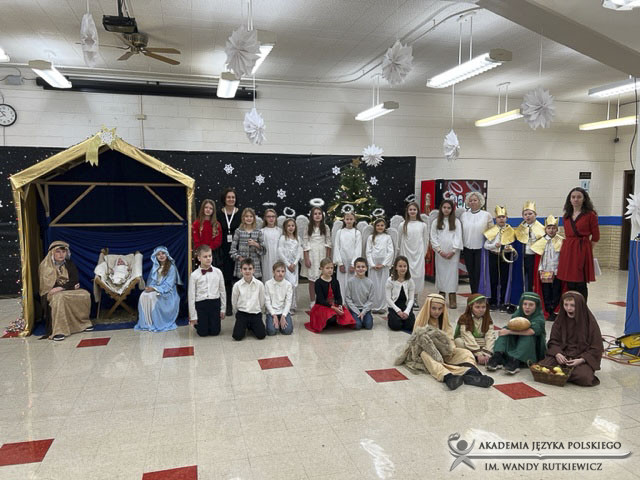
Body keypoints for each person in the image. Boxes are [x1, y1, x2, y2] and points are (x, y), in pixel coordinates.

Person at [412, 293, 494, 390]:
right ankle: (448, 377)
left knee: (466, 353)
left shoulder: (444, 320)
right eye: (433, 308)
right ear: (427, 308)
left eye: (440, 309)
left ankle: (473, 374)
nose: (437, 312)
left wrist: (449, 350)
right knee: (425, 356)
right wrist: (435, 351)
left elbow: (449, 338)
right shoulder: (421, 320)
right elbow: (417, 342)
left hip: (444, 351)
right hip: (427, 351)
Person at [537, 291, 603, 386]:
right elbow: (553, 341)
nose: (568, 308)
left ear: (580, 306)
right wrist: (557, 353)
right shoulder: (560, 319)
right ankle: (565, 373)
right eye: (566, 305)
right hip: (562, 354)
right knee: (542, 367)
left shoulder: (590, 322)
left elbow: (596, 347)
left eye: (572, 305)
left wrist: (582, 359)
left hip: (581, 356)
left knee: (584, 377)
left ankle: (562, 374)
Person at [38, 240, 92, 341]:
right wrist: (69, 286)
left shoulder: (69, 264)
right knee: (59, 297)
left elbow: (74, 280)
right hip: (51, 293)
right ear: (52, 253)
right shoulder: (45, 266)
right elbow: (49, 286)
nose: (61, 254)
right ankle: (59, 331)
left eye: (63, 252)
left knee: (84, 294)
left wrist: (61, 287)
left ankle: (83, 324)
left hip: (65, 290)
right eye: (58, 252)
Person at [557, 187, 600, 301]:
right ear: (570, 199)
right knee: (569, 281)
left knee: (580, 282)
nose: (576, 199)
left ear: (584, 199)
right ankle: (570, 306)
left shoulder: (590, 215)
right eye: (573, 197)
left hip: (582, 248)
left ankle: (582, 307)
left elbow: (596, 236)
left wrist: (587, 249)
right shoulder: (566, 216)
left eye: (579, 197)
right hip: (568, 249)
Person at [487, 292, 547, 374]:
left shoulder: (539, 317)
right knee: (505, 331)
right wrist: (505, 331)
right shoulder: (518, 313)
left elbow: (531, 332)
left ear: (536, 306)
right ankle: (498, 355)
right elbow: (510, 326)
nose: (527, 307)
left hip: (532, 346)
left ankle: (516, 360)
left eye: (531, 305)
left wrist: (509, 331)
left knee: (526, 336)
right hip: (517, 340)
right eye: (525, 304)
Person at [136, 246, 181, 332]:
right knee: (143, 295)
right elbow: (152, 281)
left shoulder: (171, 267)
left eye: (163, 253)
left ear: (166, 254)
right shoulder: (155, 267)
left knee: (152, 297)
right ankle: (147, 322)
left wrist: (154, 288)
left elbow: (169, 285)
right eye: (158, 254)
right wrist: (150, 287)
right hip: (156, 288)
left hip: (168, 291)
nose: (161, 256)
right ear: (155, 256)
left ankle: (157, 322)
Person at [304, 258, 355, 333]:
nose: (330, 270)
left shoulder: (335, 281)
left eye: (331, 268)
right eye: (327, 268)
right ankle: (328, 321)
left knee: (346, 316)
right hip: (323, 306)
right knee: (331, 317)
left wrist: (340, 306)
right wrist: (334, 308)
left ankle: (332, 320)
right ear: (321, 269)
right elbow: (321, 300)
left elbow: (338, 296)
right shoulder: (318, 282)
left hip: (334, 305)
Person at [482, 205, 516, 312]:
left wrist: (509, 248)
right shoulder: (492, 230)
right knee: (494, 279)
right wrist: (494, 245)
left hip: (505, 256)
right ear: (495, 219)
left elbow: (513, 245)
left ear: (507, 218)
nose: (501, 219)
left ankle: (502, 302)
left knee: (504, 280)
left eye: (503, 217)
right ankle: (492, 302)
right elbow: (486, 245)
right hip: (494, 255)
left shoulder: (511, 230)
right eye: (499, 217)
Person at [430, 199, 463, 309]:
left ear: (452, 209)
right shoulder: (436, 222)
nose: (446, 210)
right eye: (444, 207)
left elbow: (458, 237)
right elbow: (433, 237)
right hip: (441, 253)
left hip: (453, 253)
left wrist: (453, 251)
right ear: (441, 208)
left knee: (452, 274)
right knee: (441, 274)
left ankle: (452, 296)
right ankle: (441, 295)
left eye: (449, 208)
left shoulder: (456, 221)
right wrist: (439, 250)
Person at [188, 245, 226, 337]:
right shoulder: (194, 275)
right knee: (202, 333)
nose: (208, 258)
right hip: (201, 304)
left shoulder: (218, 272)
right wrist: (193, 316)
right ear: (199, 258)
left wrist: (223, 309)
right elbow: (191, 296)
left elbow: (222, 291)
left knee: (215, 332)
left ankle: (211, 323)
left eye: (210, 256)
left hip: (214, 303)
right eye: (205, 257)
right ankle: (200, 323)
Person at [460, 192, 493, 295]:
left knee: (479, 273)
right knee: (471, 273)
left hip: (481, 248)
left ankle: (480, 294)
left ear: (480, 201)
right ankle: (473, 294)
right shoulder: (464, 215)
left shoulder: (486, 215)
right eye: (470, 200)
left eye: (475, 200)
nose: (473, 202)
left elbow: (492, 231)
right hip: (467, 248)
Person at [532, 215, 564, 321]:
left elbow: (563, 258)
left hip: (557, 272)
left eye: (554, 228)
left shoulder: (561, 241)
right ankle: (547, 309)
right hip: (545, 272)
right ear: (545, 229)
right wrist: (540, 269)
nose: (551, 230)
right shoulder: (541, 241)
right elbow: (539, 258)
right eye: (549, 228)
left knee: (556, 291)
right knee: (546, 292)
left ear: (557, 229)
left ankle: (555, 311)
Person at [398, 201, 429, 307]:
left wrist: (423, 253)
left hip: (418, 255)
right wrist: (400, 255)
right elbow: (399, 240)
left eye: (414, 209)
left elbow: (425, 240)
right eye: (410, 209)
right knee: (406, 275)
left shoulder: (423, 225)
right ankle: (406, 298)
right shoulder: (402, 225)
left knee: (418, 276)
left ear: (417, 211)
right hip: (406, 253)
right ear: (407, 211)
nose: (412, 211)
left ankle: (415, 298)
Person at [217, 188, 241, 315]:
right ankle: (227, 305)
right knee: (226, 278)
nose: (231, 199)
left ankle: (238, 304)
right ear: (224, 199)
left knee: (237, 277)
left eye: (233, 197)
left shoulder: (241, 213)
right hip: (223, 250)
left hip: (238, 249)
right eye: (228, 197)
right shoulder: (219, 214)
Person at [301, 207, 332, 307]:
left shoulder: (326, 227)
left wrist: (327, 259)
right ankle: (312, 301)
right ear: (312, 216)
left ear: (322, 215)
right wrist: (306, 258)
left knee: (324, 278)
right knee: (312, 280)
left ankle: (322, 300)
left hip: (322, 254)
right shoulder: (308, 227)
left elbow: (328, 243)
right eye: (315, 214)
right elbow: (305, 243)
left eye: (319, 213)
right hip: (312, 255)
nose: (317, 215)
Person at [454, 294, 496, 365]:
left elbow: (490, 336)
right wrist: (478, 353)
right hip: (468, 342)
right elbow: (467, 337)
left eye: (483, 307)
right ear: (470, 307)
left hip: (481, 341)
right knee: (459, 342)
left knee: (495, 342)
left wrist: (487, 353)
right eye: (477, 307)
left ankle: (483, 356)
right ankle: (474, 356)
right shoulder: (464, 318)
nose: (481, 310)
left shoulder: (487, 318)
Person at [231, 258, 266, 341]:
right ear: (241, 270)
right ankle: (244, 325)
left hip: (255, 313)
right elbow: (234, 301)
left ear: (254, 270)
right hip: (242, 314)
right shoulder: (237, 285)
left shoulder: (260, 284)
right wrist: (237, 312)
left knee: (261, 335)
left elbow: (262, 301)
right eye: (245, 269)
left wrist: (258, 309)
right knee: (237, 336)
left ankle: (251, 326)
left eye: (250, 269)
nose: (247, 271)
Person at [514, 201, 545, 292]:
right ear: (523, 216)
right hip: (523, 256)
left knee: (533, 278)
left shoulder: (541, 228)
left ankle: (532, 294)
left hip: (534, 257)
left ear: (535, 214)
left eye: (530, 214)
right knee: (522, 277)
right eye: (525, 214)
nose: (528, 216)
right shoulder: (520, 227)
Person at [366, 218, 394, 312]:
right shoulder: (370, 237)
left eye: (382, 225)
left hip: (383, 265)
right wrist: (372, 264)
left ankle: (383, 306)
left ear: (385, 226)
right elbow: (368, 251)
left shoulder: (388, 237)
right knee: (373, 285)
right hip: (373, 265)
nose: (380, 227)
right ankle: (373, 306)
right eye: (378, 225)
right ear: (375, 226)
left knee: (383, 285)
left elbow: (390, 251)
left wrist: (384, 264)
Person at [333, 211, 362, 297]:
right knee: (341, 283)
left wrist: (353, 264)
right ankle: (341, 301)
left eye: (351, 219)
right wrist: (340, 263)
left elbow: (358, 248)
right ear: (344, 220)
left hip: (352, 263)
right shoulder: (340, 232)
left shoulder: (357, 233)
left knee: (352, 283)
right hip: (342, 262)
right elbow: (337, 247)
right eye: (347, 219)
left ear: (354, 220)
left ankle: (352, 302)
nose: (349, 221)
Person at [230, 207, 265, 279]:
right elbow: (232, 250)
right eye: (246, 216)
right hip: (242, 264)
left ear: (254, 218)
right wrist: (239, 257)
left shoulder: (258, 232)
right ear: (243, 218)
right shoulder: (238, 231)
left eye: (251, 216)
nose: (249, 218)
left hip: (255, 264)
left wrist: (255, 244)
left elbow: (263, 251)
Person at [277, 218, 302, 312]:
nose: (291, 227)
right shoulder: (283, 238)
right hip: (286, 266)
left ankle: (292, 306)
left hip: (294, 266)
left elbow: (299, 251)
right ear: (285, 227)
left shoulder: (297, 238)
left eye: (292, 225)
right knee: (288, 284)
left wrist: (294, 263)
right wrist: (288, 264)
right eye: (288, 226)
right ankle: (285, 306)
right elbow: (280, 251)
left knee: (294, 285)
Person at [386, 256, 416, 331]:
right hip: (394, 306)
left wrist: (407, 311)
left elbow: (411, 299)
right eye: (400, 266)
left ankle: (404, 318)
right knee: (396, 326)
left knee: (410, 326)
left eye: (405, 266)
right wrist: (398, 311)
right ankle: (391, 316)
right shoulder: (390, 280)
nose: (403, 268)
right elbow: (388, 299)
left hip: (405, 305)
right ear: (396, 267)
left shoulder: (410, 281)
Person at [264, 261, 294, 335]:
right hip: (272, 312)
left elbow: (288, 302)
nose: (280, 273)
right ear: (273, 272)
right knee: (271, 332)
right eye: (278, 271)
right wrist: (274, 315)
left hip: (283, 311)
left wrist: (283, 316)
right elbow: (267, 302)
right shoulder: (268, 284)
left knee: (288, 331)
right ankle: (272, 321)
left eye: (283, 271)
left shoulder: (288, 285)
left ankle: (281, 321)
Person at [345, 257, 375, 330]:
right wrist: (357, 312)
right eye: (358, 267)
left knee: (368, 326)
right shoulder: (350, 282)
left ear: (366, 268)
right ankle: (355, 318)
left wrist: (363, 312)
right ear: (355, 268)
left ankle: (366, 317)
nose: (360, 269)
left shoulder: (370, 283)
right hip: (354, 309)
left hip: (365, 309)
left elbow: (370, 300)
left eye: (363, 267)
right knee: (357, 326)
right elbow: (348, 298)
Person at [193, 199, 223, 267]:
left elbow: (218, 241)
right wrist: (202, 251)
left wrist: (209, 250)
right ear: (202, 209)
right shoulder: (196, 224)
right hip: (200, 253)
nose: (208, 210)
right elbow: (196, 240)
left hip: (213, 254)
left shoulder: (217, 225)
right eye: (206, 207)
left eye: (210, 208)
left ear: (213, 211)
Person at [261, 208, 282, 283]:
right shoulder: (262, 231)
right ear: (265, 218)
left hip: (278, 258)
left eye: (273, 216)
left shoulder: (280, 231)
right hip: (266, 259)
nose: (271, 218)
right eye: (269, 216)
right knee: (268, 277)